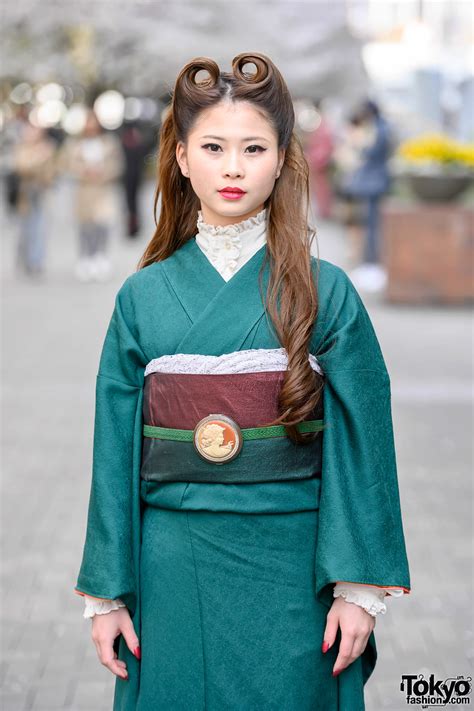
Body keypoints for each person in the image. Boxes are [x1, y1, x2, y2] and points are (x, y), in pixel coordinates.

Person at [74, 53, 411, 710]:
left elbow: (362, 443)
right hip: (173, 563)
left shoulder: (326, 293)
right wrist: (107, 594)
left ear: (283, 157)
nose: (233, 167)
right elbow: (112, 452)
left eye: (254, 147)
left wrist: (357, 588)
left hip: (292, 564)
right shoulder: (142, 298)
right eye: (214, 147)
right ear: (180, 157)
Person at [60, 108, 124, 282]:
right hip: (84, 190)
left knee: (102, 225)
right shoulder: (75, 144)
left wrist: (102, 173)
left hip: (103, 189)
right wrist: (84, 171)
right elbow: (68, 164)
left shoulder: (109, 142)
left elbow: (117, 164)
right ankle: (85, 257)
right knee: (85, 226)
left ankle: (101, 256)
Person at [340, 100, 394, 292]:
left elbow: (371, 152)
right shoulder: (382, 127)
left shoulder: (379, 129)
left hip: (374, 183)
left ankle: (373, 265)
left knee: (372, 226)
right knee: (370, 225)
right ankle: (371, 263)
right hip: (375, 182)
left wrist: (358, 145)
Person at [12, 122, 57, 277]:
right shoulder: (22, 148)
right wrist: (38, 159)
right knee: (26, 228)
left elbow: (51, 172)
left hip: (42, 192)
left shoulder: (48, 147)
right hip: (26, 194)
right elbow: (21, 167)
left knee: (41, 227)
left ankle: (36, 261)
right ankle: (25, 259)